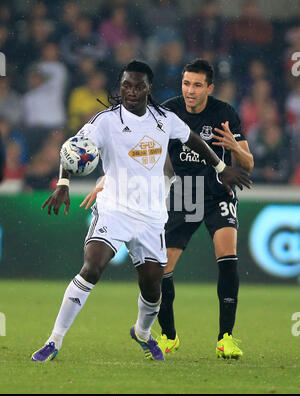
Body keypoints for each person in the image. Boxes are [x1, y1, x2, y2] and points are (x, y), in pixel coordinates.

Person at [31, 60, 250, 363]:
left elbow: (194, 140)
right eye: (126, 85)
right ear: (120, 87)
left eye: (138, 86)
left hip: (151, 216)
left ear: (149, 88)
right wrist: (64, 183)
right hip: (115, 210)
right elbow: (72, 148)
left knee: (152, 289)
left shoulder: (165, 119)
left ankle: (143, 333)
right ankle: (54, 340)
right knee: (92, 268)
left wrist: (222, 167)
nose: (131, 91)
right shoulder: (105, 121)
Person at [155, 59, 254, 359]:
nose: (190, 90)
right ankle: (169, 337)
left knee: (227, 258)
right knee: (161, 270)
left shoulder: (224, 113)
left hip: (217, 193)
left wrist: (235, 148)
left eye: (197, 85)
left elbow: (247, 164)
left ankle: (226, 338)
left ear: (209, 88)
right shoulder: (167, 112)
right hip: (184, 194)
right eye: (186, 83)